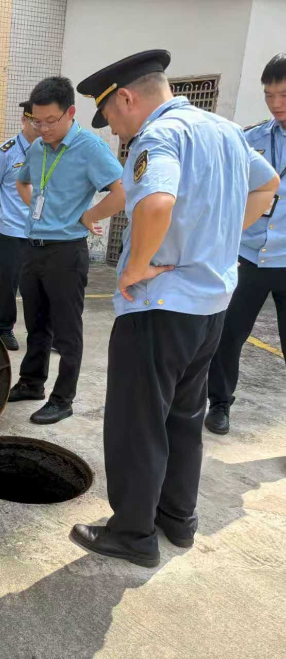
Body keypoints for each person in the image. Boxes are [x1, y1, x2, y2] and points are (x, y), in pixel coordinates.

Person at [70, 50, 279, 567]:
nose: (115, 132)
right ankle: (178, 519)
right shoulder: (226, 130)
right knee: (184, 416)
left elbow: (157, 202)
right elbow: (268, 185)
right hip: (210, 306)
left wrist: (136, 267)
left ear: (126, 98)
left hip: (160, 307)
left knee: (137, 421)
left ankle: (133, 533)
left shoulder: (158, 136)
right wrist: (219, 240)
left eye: (111, 117)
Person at [9, 77, 125, 424]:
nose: (42, 128)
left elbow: (122, 192)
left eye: (50, 120)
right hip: (34, 248)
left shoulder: (90, 148)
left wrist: (89, 216)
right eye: (36, 121)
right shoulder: (37, 148)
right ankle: (32, 382)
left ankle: (63, 398)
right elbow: (22, 183)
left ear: (70, 112)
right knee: (36, 323)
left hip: (66, 253)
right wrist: (37, 213)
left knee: (67, 330)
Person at [205, 52, 286, 435]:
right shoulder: (249, 139)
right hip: (248, 257)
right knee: (228, 336)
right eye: (269, 95)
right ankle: (219, 404)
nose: (275, 103)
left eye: (283, 95)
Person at [0, 101, 40, 351]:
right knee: (8, 285)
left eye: (43, 122)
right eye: (34, 122)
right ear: (23, 120)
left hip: (40, 230)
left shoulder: (48, 150)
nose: (39, 127)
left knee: (39, 286)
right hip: (11, 232)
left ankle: (39, 331)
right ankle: (3, 329)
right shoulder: (5, 153)